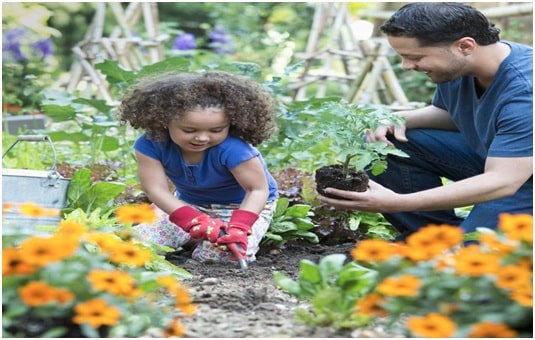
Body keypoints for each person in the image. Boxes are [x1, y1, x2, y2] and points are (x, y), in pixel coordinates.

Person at [318, 2, 533, 240]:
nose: (406, 66)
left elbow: (504, 181)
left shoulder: (525, 91)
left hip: (517, 178)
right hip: (502, 161)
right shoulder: (459, 68)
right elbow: (456, 114)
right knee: (384, 140)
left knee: (473, 259)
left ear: (464, 46)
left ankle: (457, 245)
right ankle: (434, 237)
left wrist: (398, 202)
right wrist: (397, 119)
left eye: (415, 57)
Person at [117, 70, 279, 264]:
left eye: (216, 130)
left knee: (222, 258)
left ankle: (197, 240)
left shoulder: (235, 150)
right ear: (165, 121)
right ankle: (193, 235)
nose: (202, 137)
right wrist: (192, 220)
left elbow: (257, 190)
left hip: (241, 206)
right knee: (135, 245)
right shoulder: (151, 144)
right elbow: (156, 189)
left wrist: (239, 228)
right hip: (188, 203)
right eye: (189, 130)